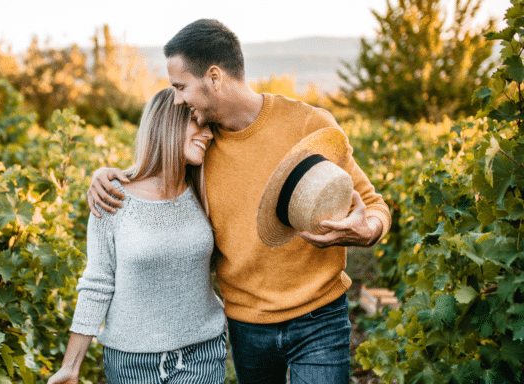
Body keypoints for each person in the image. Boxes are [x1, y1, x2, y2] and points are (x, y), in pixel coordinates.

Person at [87, 19, 391, 384]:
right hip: (248, 326)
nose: (178, 98)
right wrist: (106, 173)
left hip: (319, 316)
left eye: (181, 86)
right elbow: (155, 176)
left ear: (214, 77)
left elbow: (374, 204)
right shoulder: (200, 148)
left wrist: (369, 230)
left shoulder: (309, 124)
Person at [48, 87, 227, 384]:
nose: (209, 134)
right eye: (198, 121)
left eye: (210, 126)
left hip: (201, 355)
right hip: (130, 363)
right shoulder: (112, 197)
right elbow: (98, 282)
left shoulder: (206, 189)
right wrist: (71, 366)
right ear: (167, 124)